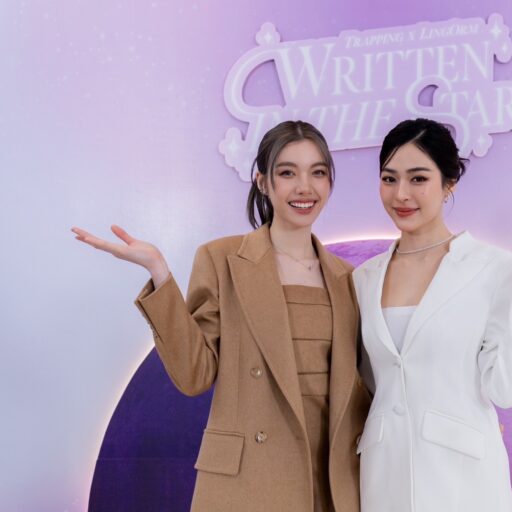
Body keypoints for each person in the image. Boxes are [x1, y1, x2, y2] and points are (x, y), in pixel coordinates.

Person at [72, 120, 371, 512]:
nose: (305, 187)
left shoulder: (348, 279)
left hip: (331, 483)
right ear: (262, 182)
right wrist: (159, 272)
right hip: (250, 481)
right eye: (287, 173)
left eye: (317, 172)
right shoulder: (222, 259)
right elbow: (195, 374)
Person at [352, 118, 512, 512]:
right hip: (384, 478)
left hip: (463, 481)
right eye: (389, 178)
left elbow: (506, 389)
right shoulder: (363, 279)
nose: (401, 194)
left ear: (449, 183)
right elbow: (367, 382)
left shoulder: (494, 269)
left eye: (418, 179)